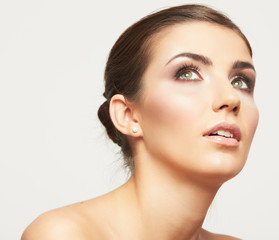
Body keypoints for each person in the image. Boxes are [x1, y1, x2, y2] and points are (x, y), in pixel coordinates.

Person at [21, 4, 259, 240]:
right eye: (186, 73)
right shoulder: (65, 234)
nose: (230, 97)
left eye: (240, 81)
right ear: (128, 115)